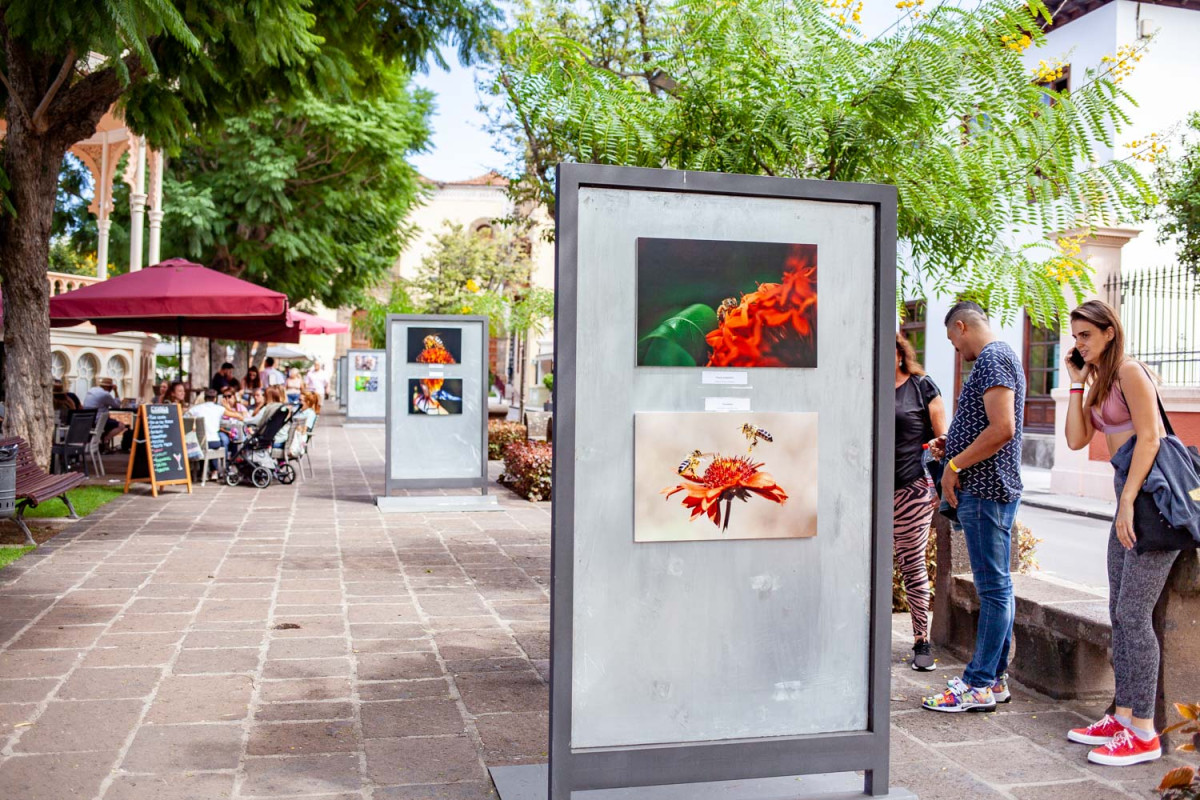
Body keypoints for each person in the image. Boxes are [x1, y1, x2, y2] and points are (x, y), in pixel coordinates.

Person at [1060, 300, 1176, 767]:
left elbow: (1150, 437)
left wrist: (1127, 501)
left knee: (1133, 614)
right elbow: (1074, 439)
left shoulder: (1130, 371)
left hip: (1152, 502)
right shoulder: (1099, 378)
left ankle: (1145, 732)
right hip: (1129, 500)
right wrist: (1074, 381)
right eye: (1075, 336)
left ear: (1110, 332)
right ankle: (1123, 714)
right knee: (1117, 610)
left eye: (1086, 335)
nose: (1078, 343)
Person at [922, 301, 1024, 714]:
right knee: (998, 588)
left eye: (952, 339)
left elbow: (1003, 429)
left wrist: (954, 464)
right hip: (988, 489)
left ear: (962, 327)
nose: (955, 348)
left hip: (986, 492)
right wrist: (956, 444)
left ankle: (979, 683)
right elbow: (989, 426)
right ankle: (993, 679)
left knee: (994, 590)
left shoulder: (993, 359)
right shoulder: (999, 358)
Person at [894, 333, 948, 671]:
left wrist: (943, 487)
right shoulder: (863, 382)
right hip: (868, 491)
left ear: (900, 354)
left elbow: (943, 441)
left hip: (911, 489)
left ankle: (920, 639)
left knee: (912, 564)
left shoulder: (922, 386)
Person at [186, 389, 232, 471]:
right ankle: (215, 471)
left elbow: (185, 417)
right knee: (219, 441)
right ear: (215, 399)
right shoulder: (219, 409)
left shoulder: (195, 409)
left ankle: (203, 471)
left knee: (208, 442)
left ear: (204, 398)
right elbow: (235, 415)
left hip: (200, 442)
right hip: (213, 443)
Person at [82, 377, 128, 446]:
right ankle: (105, 441)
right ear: (108, 387)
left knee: (109, 421)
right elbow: (117, 406)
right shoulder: (105, 394)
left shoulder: (91, 390)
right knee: (121, 425)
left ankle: (103, 442)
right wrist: (116, 391)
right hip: (98, 421)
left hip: (88, 420)